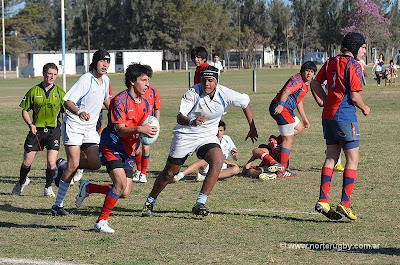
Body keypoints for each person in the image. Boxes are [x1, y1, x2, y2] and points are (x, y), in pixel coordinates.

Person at [141, 65, 258, 217]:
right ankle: (150, 201)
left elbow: (245, 103)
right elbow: (180, 117)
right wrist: (192, 121)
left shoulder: (225, 93)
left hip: (207, 136)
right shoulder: (192, 93)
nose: (206, 84)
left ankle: (200, 203)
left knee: (217, 160)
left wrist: (252, 127)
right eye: (204, 80)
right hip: (186, 134)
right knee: (169, 172)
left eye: (210, 80)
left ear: (216, 81)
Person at [75, 63, 157, 233]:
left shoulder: (146, 101)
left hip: (129, 149)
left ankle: (88, 187)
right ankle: (101, 221)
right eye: (144, 80)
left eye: (148, 80)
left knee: (124, 192)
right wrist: (141, 130)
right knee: (119, 184)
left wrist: (148, 133)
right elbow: (120, 130)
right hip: (111, 145)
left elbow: (144, 124)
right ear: (133, 81)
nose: (147, 84)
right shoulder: (119, 101)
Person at [311, 32, 370, 221]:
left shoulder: (329, 62)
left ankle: (323, 200)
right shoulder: (354, 65)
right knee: (352, 158)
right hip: (345, 115)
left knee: (331, 157)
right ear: (355, 47)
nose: (364, 51)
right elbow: (354, 96)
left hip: (328, 115)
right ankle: (345, 204)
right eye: (363, 48)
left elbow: (314, 83)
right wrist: (364, 107)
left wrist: (327, 99)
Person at [51, 49, 112, 216]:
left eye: (107, 61)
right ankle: (57, 205)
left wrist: (118, 110)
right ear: (95, 62)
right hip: (74, 125)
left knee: (95, 163)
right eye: (102, 61)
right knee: (74, 165)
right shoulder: (86, 79)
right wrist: (79, 112)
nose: (105, 64)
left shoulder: (105, 80)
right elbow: (67, 101)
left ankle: (62, 165)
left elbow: (107, 101)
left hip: (89, 128)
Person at [12, 63, 65, 197]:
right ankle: (22, 181)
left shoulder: (60, 93)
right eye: (49, 74)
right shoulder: (34, 91)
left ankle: (48, 187)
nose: (52, 77)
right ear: (44, 74)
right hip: (36, 131)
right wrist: (30, 124)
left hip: (53, 132)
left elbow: (66, 112)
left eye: (54, 74)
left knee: (51, 162)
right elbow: (24, 110)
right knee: (26, 162)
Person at [267, 61, 317, 178]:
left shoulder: (305, 84)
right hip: (281, 108)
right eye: (307, 71)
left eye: (311, 72)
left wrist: (305, 119)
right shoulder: (298, 80)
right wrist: (281, 104)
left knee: (299, 127)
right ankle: (283, 170)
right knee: (288, 139)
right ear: (302, 71)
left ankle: (276, 142)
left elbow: (298, 101)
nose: (309, 74)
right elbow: (286, 91)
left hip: (287, 109)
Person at [72, 82, 113, 184]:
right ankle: (73, 167)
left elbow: (108, 104)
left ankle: (77, 167)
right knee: (79, 145)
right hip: (80, 118)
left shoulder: (106, 84)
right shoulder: (85, 82)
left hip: (95, 119)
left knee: (88, 146)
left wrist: (95, 105)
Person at [171, 120, 239, 183]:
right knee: (205, 160)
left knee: (236, 169)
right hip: (207, 166)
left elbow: (235, 158)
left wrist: (235, 155)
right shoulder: (209, 139)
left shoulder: (227, 139)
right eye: (217, 131)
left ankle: (205, 177)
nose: (219, 133)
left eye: (221, 131)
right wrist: (225, 161)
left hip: (221, 168)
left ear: (224, 131)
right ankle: (180, 175)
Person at [133, 73, 161, 183]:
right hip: (136, 123)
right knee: (135, 148)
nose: (146, 82)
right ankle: (138, 170)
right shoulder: (136, 90)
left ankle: (143, 174)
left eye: (148, 79)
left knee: (146, 148)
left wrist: (156, 124)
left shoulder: (153, 91)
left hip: (148, 123)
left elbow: (157, 109)